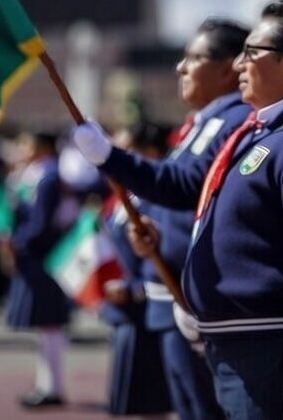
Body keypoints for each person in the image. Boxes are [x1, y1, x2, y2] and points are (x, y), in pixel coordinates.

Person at [76, 1, 283, 419]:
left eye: (252, 52)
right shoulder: (268, 129)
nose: (239, 63)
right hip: (237, 343)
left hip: (270, 348)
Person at [79, 18, 247, 420]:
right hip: (169, 290)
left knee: (205, 409)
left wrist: (111, 157)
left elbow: (182, 183)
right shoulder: (202, 122)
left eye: (195, 57)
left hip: (194, 296)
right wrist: (150, 231)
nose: (181, 67)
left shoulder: (231, 119)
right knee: (187, 407)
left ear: (229, 66)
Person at [100, 123, 174, 416]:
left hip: (147, 307)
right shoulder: (122, 197)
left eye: (124, 151)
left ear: (150, 153)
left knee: (152, 398)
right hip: (123, 310)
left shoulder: (159, 198)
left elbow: (165, 252)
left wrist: (134, 288)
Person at [1, 131, 72, 409]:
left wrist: (16, 242)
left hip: (45, 257)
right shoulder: (31, 175)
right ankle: (46, 385)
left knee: (50, 324)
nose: (21, 149)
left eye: (26, 144)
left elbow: (41, 222)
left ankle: (52, 387)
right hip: (35, 255)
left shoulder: (49, 177)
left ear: (42, 147)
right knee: (45, 327)